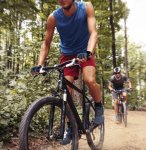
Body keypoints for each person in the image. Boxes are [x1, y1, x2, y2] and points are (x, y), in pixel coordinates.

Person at [31, 0, 104, 145]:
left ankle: (98, 106)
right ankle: (71, 127)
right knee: (66, 90)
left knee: (89, 80)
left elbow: (93, 32)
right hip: (67, 54)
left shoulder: (86, 7)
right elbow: (46, 44)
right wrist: (39, 65)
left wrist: (89, 52)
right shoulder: (53, 17)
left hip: (85, 51)